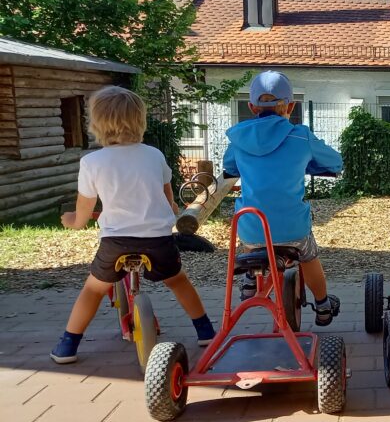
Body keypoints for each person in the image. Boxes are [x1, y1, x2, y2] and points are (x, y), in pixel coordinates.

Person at [51, 86, 215, 364]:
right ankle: (205, 330)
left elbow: (83, 211)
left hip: (116, 242)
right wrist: (171, 209)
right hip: (158, 239)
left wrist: (73, 221)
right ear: (140, 120)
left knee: (93, 289)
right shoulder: (154, 155)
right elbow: (167, 197)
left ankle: (68, 344)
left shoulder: (92, 162)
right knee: (177, 280)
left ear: (96, 124)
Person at [223, 71, 343, 326]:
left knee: (251, 220)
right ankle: (322, 305)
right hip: (293, 230)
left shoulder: (238, 138)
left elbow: (229, 167)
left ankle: (250, 278)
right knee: (308, 255)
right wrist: (307, 163)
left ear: (251, 107)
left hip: (252, 229)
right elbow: (335, 161)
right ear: (290, 106)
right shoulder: (301, 136)